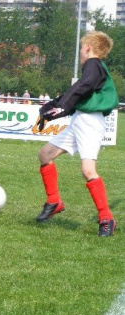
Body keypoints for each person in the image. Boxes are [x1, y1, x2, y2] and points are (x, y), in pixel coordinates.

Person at [35, 31, 118, 236]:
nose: (80, 52)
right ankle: (54, 201)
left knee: (88, 170)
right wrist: (54, 105)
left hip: (90, 122)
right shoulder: (95, 68)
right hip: (79, 120)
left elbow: (83, 87)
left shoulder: (93, 64)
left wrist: (61, 107)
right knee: (45, 155)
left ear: (88, 47)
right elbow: (79, 91)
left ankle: (106, 217)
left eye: (82, 47)